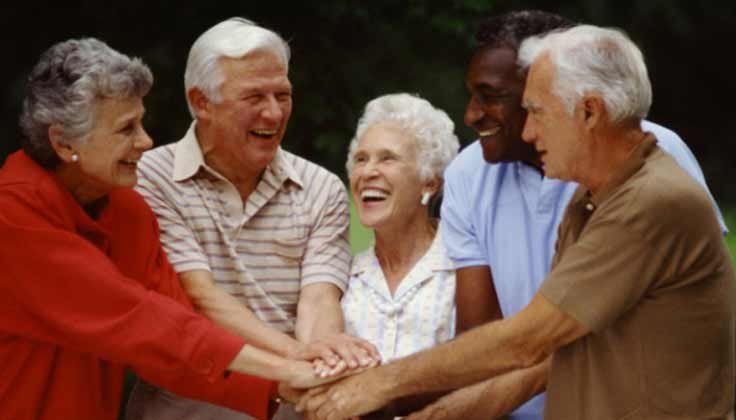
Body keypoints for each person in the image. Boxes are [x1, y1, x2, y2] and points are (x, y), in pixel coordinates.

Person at [299, 24, 735, 420]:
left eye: (538, 113)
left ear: (589, 112)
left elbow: (527, 339)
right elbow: (547, 363)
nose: (528, 133)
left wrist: (381, 383)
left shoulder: (650, 201)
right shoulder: (591, 197)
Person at [0, 38, 339, 420]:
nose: (146, 142)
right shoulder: (5, 214)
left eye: (141, 124)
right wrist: (286, 367)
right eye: (126, 128)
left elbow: (173, 342)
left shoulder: (126, 210)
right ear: (63, 143)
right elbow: (137, 319)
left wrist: (280, 387)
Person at [130, 17, 379, 420]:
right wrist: (299, 356)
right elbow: (200, 297)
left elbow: (318, 299)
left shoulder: (320, 187)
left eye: (283, 95)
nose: (274, 112)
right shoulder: (150, 177)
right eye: (254, 97)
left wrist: (326, 354)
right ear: (201, 102)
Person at [341, 93, 459, 365]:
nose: (368, 172)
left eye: (387, 158)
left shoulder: (462, 269)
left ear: (429, 182)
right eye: (361, 159)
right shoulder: (344, 277)